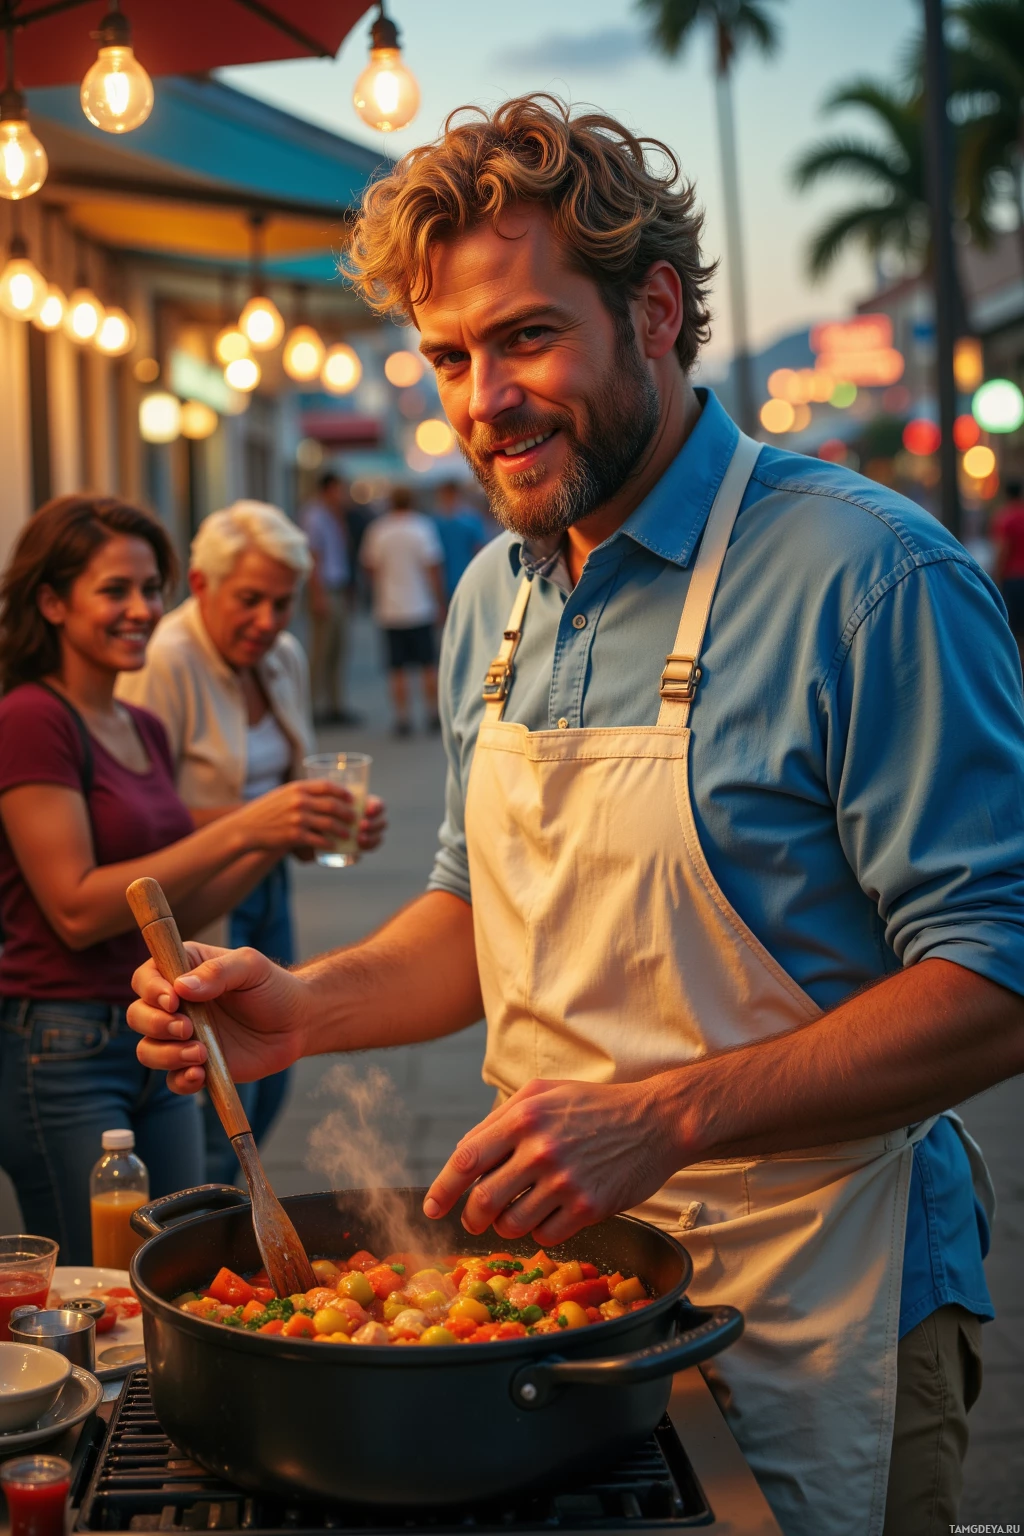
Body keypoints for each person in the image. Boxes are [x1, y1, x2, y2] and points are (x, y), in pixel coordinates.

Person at [127, 98, 1024, 1536]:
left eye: (527, 336)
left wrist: (660, 1119)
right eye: (448, 358)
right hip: (555, 1309)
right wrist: (300, 1007)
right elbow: (478, 915)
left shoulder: (871, 580)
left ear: (655, 310)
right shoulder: (496, 593)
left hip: (826, 1291)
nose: (483, 399)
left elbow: (997, 981)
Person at [0, 495, 361, 1263]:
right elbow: (73, 908)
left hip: (153, 1030)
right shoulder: (31, 719)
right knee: (105, 1286)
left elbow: (176, 909)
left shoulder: (142, 727)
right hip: (62, 1046)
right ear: (52, 601)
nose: (142, 610)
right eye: (115, 590)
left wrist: (284, 837)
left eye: (150, 588)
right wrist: (251, 823)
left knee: (182, 1264)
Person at [117, 501, 387, 1184]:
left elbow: (290, 785)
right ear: (202, 586)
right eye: (249, 600)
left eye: (283, 602)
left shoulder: (281, 656)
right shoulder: (166, 660)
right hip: (196, 908)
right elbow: (137, 816)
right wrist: (265, 816)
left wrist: (320, 824)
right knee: (215, 1101)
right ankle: (210, 1244)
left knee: (268, 1079)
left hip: (267, 888)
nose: (268, 621)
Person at [360, 487, 445, 735]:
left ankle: (403, 718)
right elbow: (432, 568)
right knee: (428, 664)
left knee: (396, 668)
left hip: (390, 608)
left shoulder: (378, 530)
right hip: (420, 606)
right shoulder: (422, 527)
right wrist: (440, 601)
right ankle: (432, 713)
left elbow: (370, 568)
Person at [301, 472, 358, 725]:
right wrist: (317, 595)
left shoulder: (333, 516)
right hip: (325, 589)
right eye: (339, 490)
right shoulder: (314, 516)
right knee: (321, 650)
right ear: (329, 489)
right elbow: (314, 556)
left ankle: (335, 705)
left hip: (337, 586)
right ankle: (312, 708)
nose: (343, 495)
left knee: (338, 648)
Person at [432, 479, 488, 598]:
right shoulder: (435, 522)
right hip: (449, 581)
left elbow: (479, 550)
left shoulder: (469, 521)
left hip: (463, 579)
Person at [992, 478, 1024, 651]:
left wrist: (996, 574)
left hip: (1013, 578)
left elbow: (1003, 549)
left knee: (1014, 627)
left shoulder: (1005, 518)